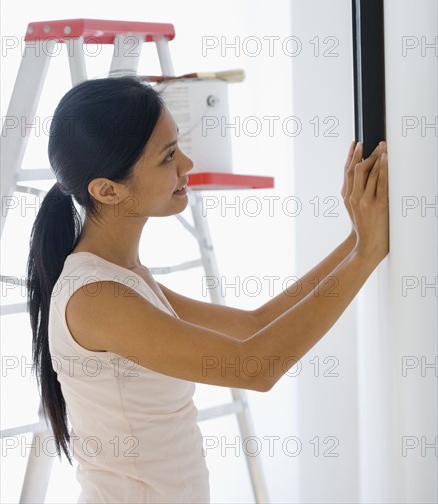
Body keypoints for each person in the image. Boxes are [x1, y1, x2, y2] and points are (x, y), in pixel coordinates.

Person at [26, 75, 389, 503]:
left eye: (177, 145)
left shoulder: (122, 277)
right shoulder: (95, 297)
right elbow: (252, 367)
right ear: (108, 190)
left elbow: (252, 325)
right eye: (167, 157)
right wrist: (366, 255)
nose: (187, 164)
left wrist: (357, 240)